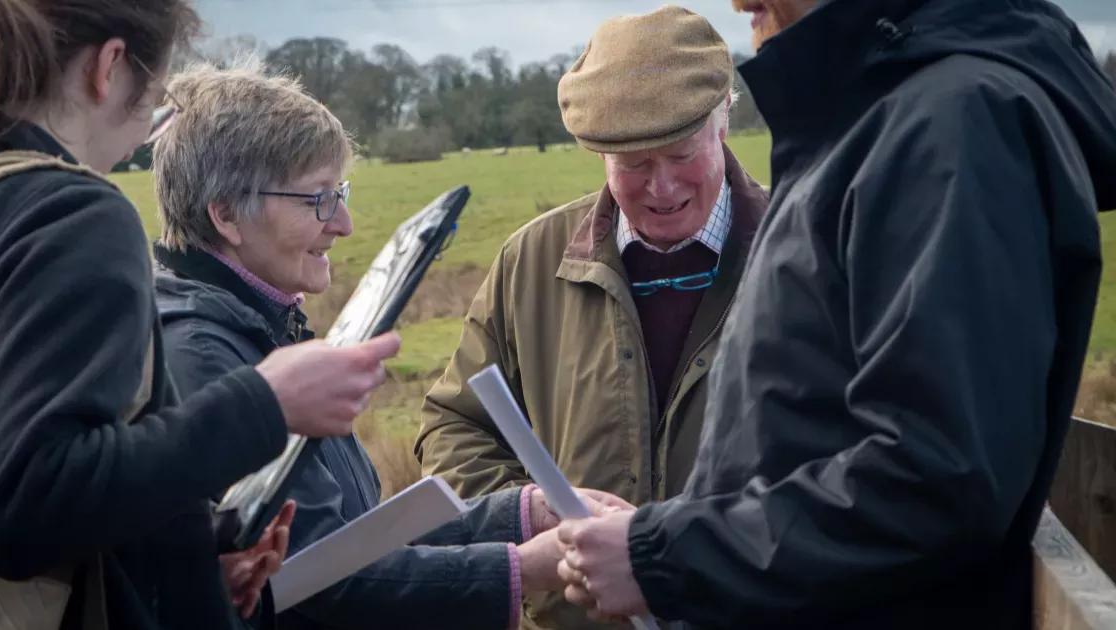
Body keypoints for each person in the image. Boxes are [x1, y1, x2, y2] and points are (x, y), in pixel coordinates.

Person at [553, 0, 1116, 628]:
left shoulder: (953, 124)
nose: (739, 3)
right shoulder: (872, 121)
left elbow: (935, 479)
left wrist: (665, 556)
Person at [0, 1, 398, 628]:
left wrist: (178, 568)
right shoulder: (69, 216)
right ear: (110, 67)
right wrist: (264, 403)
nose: (149, 121)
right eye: (158, 90)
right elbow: (26, 507)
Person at [149, 60, 632, 630]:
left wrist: (520, 515)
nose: (345, 223)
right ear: (226, 214)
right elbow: (319, 581)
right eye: (318, 199)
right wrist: (523, 568)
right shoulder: (204, 354)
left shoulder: (259, 328)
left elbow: (352, 538)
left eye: (341, 193)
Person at [414, 7, 767, 626]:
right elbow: (453, 423)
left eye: (683, 153)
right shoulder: (531, 260)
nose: (661, 187)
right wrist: (528, 511)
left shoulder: (799, 248)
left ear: (724, 119)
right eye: (632, 164)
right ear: (597, 153)